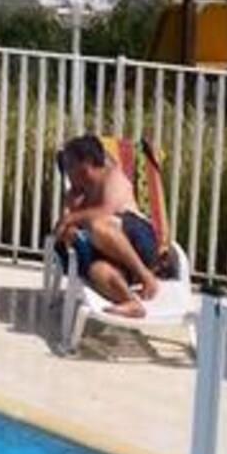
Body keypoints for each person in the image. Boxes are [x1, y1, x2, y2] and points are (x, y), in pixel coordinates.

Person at [51, 134, 164, 317]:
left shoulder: (112, 176)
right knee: (97, 271)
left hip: (141, 242)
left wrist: (71, 218)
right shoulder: (78, 193)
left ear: (86, 164)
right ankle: (130, 302)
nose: (66, 171)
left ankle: (146, 276)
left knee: (98, 225)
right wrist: (69, 228)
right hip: (113, 255)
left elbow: (107, 210)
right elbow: (67, 228)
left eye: (70, 165)